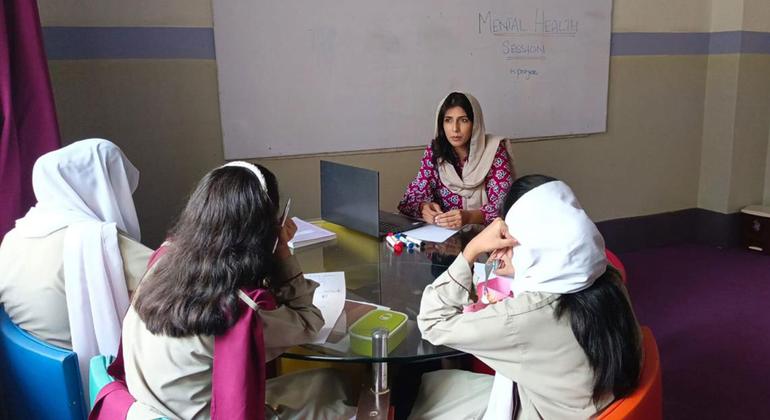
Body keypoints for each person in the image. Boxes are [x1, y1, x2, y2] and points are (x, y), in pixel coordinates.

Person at [113, 161, 354, 419]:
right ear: (261, 230)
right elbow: (309, 321)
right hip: (216, 413)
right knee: (343, 400)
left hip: (163, 406)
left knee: (329, 381)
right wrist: (282, 251)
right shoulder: (237, 310)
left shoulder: (163, 262)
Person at [409, 175, 642, 419]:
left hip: (542, 409)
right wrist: (517, 265)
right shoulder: (605, 274)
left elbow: (432, 322)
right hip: (583, 401)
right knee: (435, 386)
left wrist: (472, 249)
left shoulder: (525, 315)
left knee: (433, 391)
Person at [0, 138, 152, 386]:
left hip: (40, 381)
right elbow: (178, 278)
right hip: (90, 378)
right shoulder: (96, 239)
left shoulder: (14, 237)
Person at [397, 92, 514, 229]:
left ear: (475, 123)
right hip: (444, 236)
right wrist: (423, 207)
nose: (455, 129)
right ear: (441, 124)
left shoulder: (493, 150)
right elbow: (410, 199)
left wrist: (470, 217)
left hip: (487, 234)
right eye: (448, 120)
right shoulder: (435, 152)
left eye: (463, 120)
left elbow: (505, 206)